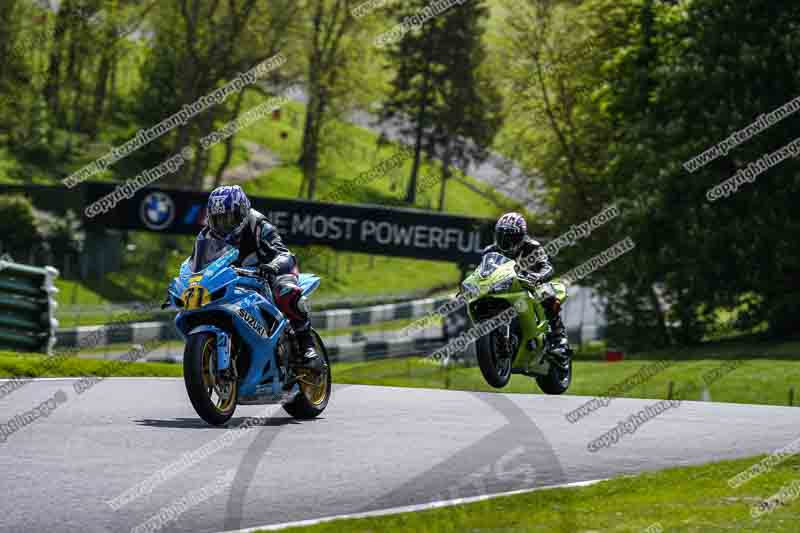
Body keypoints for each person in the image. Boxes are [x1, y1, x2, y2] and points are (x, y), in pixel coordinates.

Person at [190, 185, 326, 373]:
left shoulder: (258, 224)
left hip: (266, 275)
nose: (224, 224)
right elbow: (196, 267)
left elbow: (283, 253)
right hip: (233, 281)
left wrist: (272, 266)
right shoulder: (206, 236)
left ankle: (307, 347)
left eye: (229, 218)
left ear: (243, 212)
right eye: (218, 219)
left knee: (285, 289)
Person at [482, 212, 570, 361]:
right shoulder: (490, 251)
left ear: (521, 236)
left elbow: (547, 267)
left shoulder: (532, 247)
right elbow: (482, 272)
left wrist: (537, 276)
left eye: (511, 238)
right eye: (502, 237)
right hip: (503, 287)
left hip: (530, 284)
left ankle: (558, 337)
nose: (506, 242)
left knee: (548, 293)